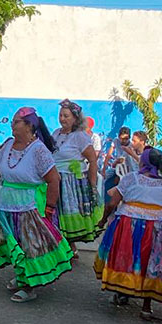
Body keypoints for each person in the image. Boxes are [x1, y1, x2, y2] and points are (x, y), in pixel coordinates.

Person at [0, 106, 74, 303]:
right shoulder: (8, 145)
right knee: (12, 245)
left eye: (16, 122)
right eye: (12, 122)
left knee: (29, 247)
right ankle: (22, 277)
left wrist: (49, 208)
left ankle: (30, 287)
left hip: (28, 207)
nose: (12, 126)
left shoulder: (38, 150)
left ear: (29, 126)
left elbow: (53, 179)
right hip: (7, 206)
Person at [94, 148, 162, 319]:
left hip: (129, 225)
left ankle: (122, 292)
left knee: (127, 258)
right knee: (151, 264)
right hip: (157, 228)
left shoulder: (131, 178)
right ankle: (146, 307)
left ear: (144, 162)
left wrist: (103, 220)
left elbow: (112, 203)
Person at [51, 99, 103, 248]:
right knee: (56, 215)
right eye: (61, 115)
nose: (62, 119)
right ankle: (65, 249)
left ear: (75, 118)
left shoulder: (80, 136)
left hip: (71, 183)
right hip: (55, 179)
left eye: (66, 116)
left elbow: (92, 160)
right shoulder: (56, 133)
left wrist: (92, 185)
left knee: (68, 217)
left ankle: (70, 249)